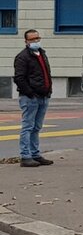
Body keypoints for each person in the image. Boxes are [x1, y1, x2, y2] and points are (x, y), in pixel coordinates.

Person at [13, 29, 54, 168]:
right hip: (30, 97)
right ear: (26, 41)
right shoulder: (23, 57)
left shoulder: (42, 53)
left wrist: (48, 90)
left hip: (43, 96)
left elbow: (45, 73)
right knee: (28, 126)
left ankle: (35, 154)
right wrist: (30, 93)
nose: (35, 41)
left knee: (36, 127)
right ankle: (26, 156)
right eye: (32, 39)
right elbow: (19, 78)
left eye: (37, 38)